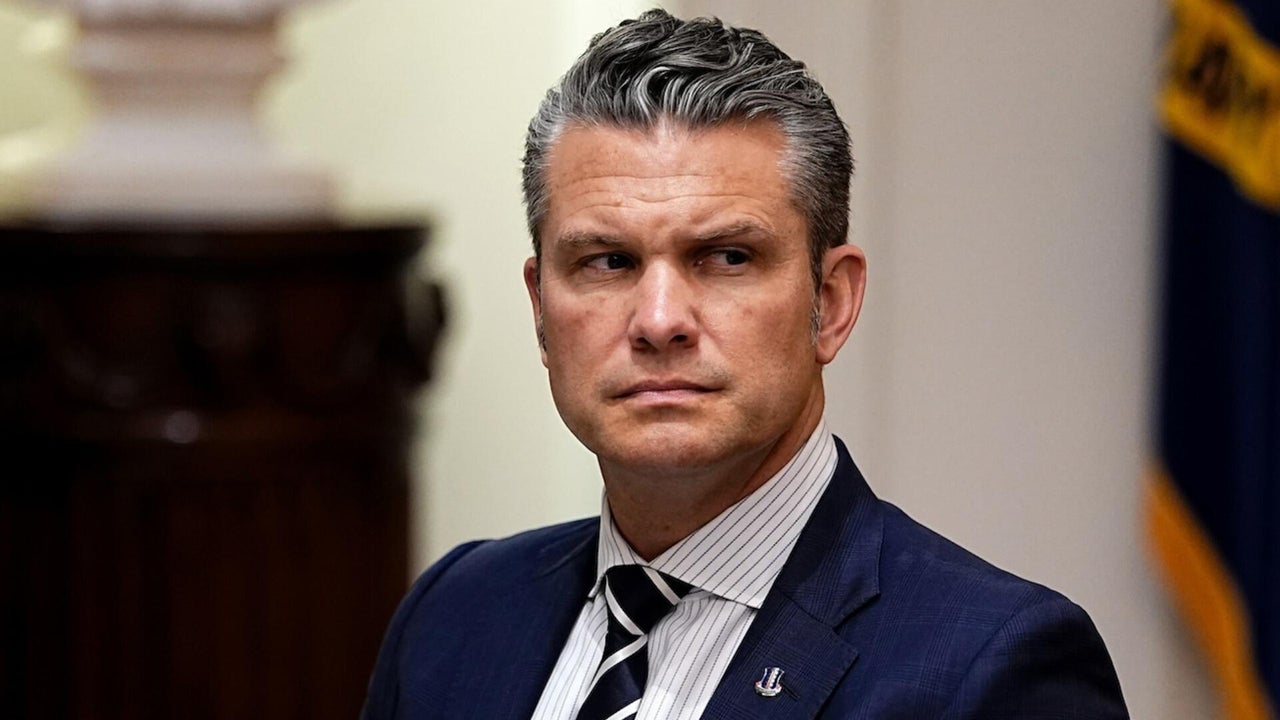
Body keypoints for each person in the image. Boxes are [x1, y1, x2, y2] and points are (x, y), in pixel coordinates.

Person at [362, 9, 1128, 719]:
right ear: (540, 309)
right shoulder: (453, 617)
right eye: (607, 261)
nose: (659, 321)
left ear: (831, 301)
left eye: (727, 257)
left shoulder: (991, 669)